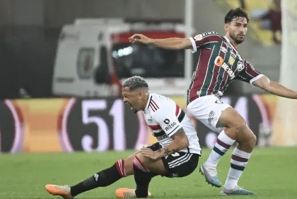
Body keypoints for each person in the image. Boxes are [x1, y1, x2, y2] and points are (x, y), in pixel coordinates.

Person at [129, 8, 297, 195]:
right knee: (236, 122)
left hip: (212, 101)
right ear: (227, 27)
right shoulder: (214, 40)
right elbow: (181, 43)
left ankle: (231, 185)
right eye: (237, 24)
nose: (242, 29)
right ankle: (209, 165)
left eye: (245, 26)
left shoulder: (240, 63)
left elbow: (268, 84)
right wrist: (151, 41)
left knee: (248, 139)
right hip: (200, 97)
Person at [45, 76, 202, 198]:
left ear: (140, 95)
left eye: (127, 96)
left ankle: (140, 194)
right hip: (171, 147)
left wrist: (158, 153)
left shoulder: (158, 109)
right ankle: (72, 191)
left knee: (141, 160)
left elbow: (182, 140)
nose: (124, 100)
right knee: (123, 165)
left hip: (187, 156)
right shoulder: (149, 105)